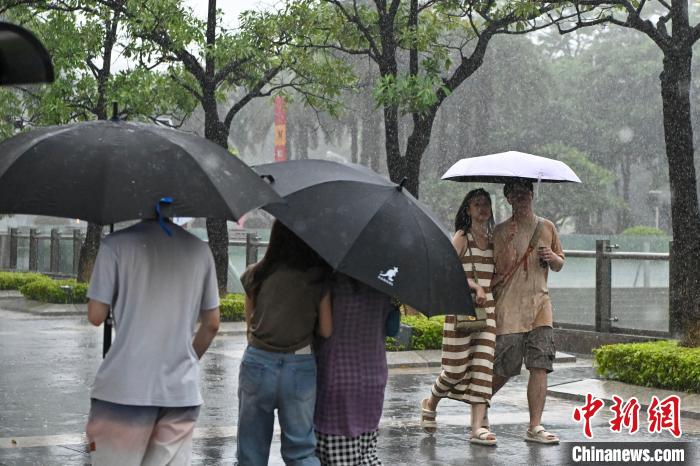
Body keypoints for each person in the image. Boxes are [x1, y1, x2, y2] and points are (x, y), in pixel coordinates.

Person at [85, 218, 221, 465]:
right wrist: (187, 359)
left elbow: (96, 316)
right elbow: (212, 323)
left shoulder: (115, 245)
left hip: (123, 390)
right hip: (181, 392)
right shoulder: (200, 250)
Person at [237, 220, 333, 466]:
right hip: (299, 365)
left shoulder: (256, 273)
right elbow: (326, 330)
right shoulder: (317, 278)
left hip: (257, 362)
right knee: (301, 451)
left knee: (251, 451)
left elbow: (250, 325)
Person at [420, 188, 498, 445]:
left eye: (486, 204)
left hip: (486, 314)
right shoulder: (462, 237)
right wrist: (474, 287)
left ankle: (477, 428)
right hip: (460, 311)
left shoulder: (494, 240)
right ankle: (431, 401)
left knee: (482, 370)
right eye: (477, 204)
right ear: (468, 210)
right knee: (454, 371)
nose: (483, 209)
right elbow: (446, 271)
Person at [490, 179, 565, 444]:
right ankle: (480, 403)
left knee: (540, 365)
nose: (522, 198)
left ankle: (535, 426)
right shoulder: (498, 232)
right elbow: (494, 273)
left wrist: (551, 257)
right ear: (508, 198)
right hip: (509, 309)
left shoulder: (547, 227)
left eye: (526, 193)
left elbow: (559, 263)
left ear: (532, 195)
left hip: (540, 307)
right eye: (516, 194)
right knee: (506, 367)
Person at [314, 274, 394, 465]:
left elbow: (324, 330)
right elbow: (391, 329)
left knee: (337, 456)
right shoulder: (385, 285)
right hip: (374, 377)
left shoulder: (331, 283)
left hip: (337, 375)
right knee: (367, 454)